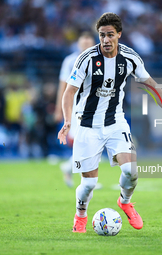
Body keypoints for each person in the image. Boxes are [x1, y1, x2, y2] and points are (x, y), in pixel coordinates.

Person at [58, 12, 162, 233]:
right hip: (87, 125)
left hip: (115, 123)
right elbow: (69, 92)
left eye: (110, 35)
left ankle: (125, 201)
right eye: (102, 35)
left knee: (131, 170)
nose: (105, 40)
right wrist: (66, 120)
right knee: (89, 184)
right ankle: (81, 215)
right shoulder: (86, 59)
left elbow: (151, 85)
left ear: (119, 34)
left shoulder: (130, 58)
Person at [55, 32, 96, 187]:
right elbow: (63, 86)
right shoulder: (70, 61)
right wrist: (59, 109)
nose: (85, 44)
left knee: (92, 143)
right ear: (78, 43)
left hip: (95, 108)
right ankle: (85, 179)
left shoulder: (100, 60)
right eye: (83, 41)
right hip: (77, 108)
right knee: (85, 142)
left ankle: (70, 168)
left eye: (88, 42)